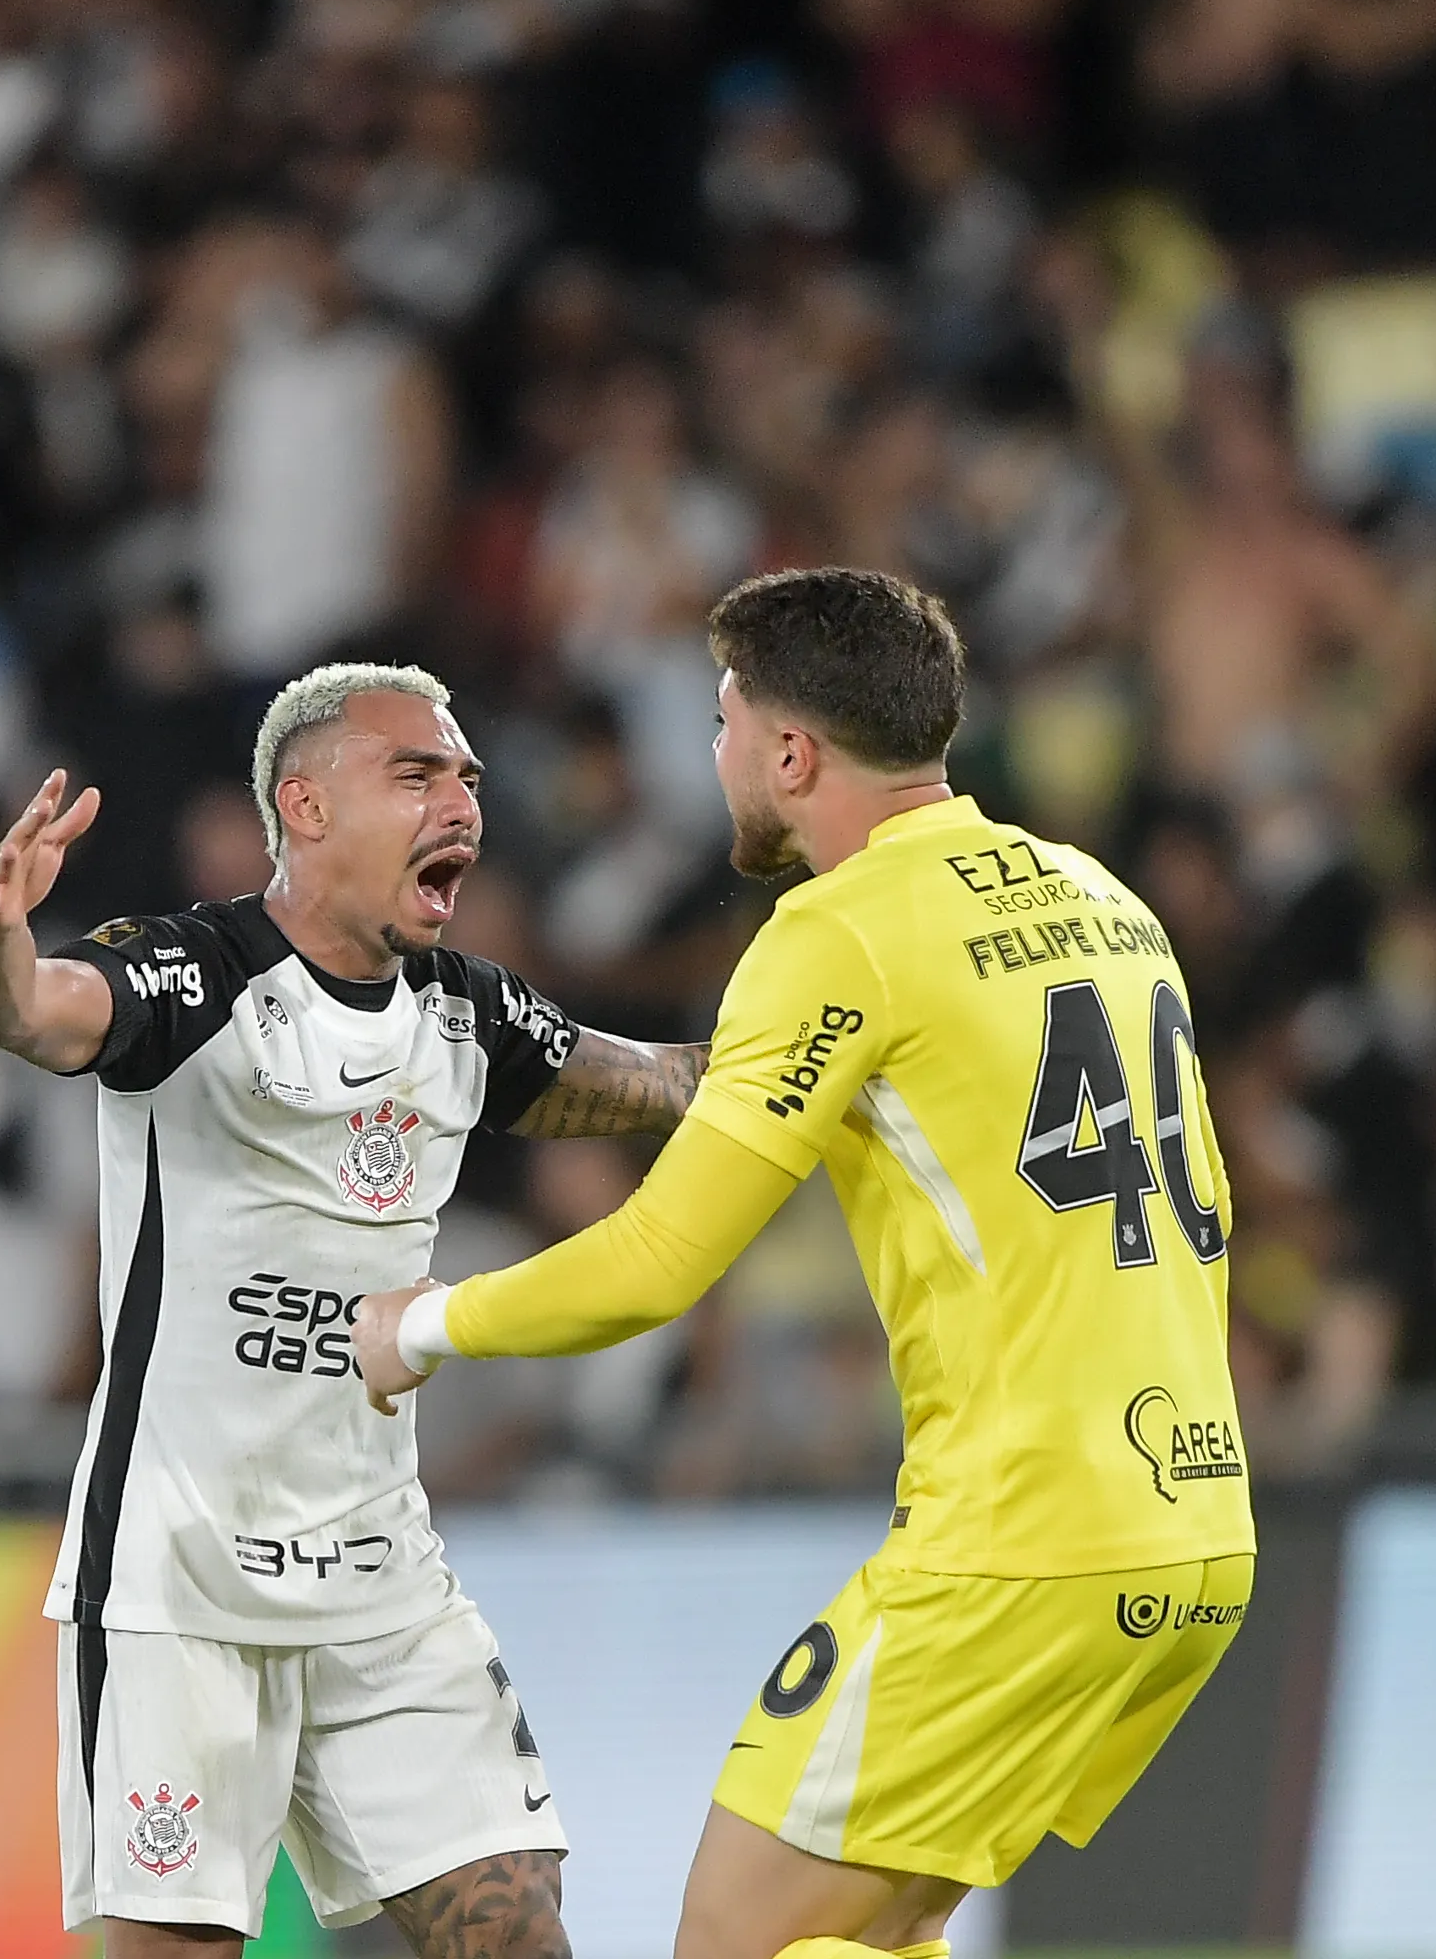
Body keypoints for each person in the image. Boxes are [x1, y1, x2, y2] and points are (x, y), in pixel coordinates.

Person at [354, 569, 1258, 1959]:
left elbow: (660, 1261)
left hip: (1017, 1540)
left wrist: (423, 1326)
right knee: (872, 1938)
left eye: (723, 723)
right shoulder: (1104, 902)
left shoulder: (836, 932)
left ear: (791, 752)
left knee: (736, 1945)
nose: (713, 757)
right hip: (1193, 1529)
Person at [0, 662, 710, 1958]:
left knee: (515, 1928)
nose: (461, 801)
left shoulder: (469, 1013)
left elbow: (664, 1087)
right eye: (416, 774)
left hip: (377, 1578)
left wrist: (843, 1041)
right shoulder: (193, 975)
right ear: (302, 806)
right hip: (180, 1583)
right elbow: (31, 1014)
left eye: (467, 776)